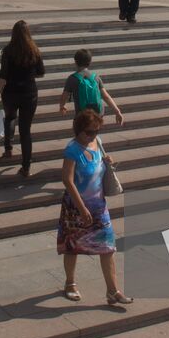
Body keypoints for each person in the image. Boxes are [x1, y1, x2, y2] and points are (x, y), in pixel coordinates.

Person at [57, 109, 134, 306]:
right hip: (76, 207)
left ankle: (112, 291)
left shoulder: (97, 143)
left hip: (99, 206)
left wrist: (108, 161)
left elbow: (100, 166)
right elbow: (67, 179)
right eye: (89, 132)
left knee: (108, 248)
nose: (92, 136)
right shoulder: (72, 150)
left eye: (96, 131)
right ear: (79, 130)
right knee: (72, 246)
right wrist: (82, 209)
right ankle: (70, 283)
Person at [0, 20, 46, 178]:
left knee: (9, 117)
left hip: (10, 92)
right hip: (29, 93)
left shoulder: (8, 51)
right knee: (26, 131)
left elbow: (3, 75)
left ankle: (8, 148)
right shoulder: (34, 51)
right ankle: (26, 166)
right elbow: (41, 72)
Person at [59, 48, 125, 124]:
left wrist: (62, 106)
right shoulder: (95, 77)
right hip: (98, 114)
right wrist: (117, 111)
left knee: (81, 134)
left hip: (82, 115)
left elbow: (64, 96)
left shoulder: (72, 79)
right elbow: (106, 96)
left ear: (75, 62)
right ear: (90, 62)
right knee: (93, 133)